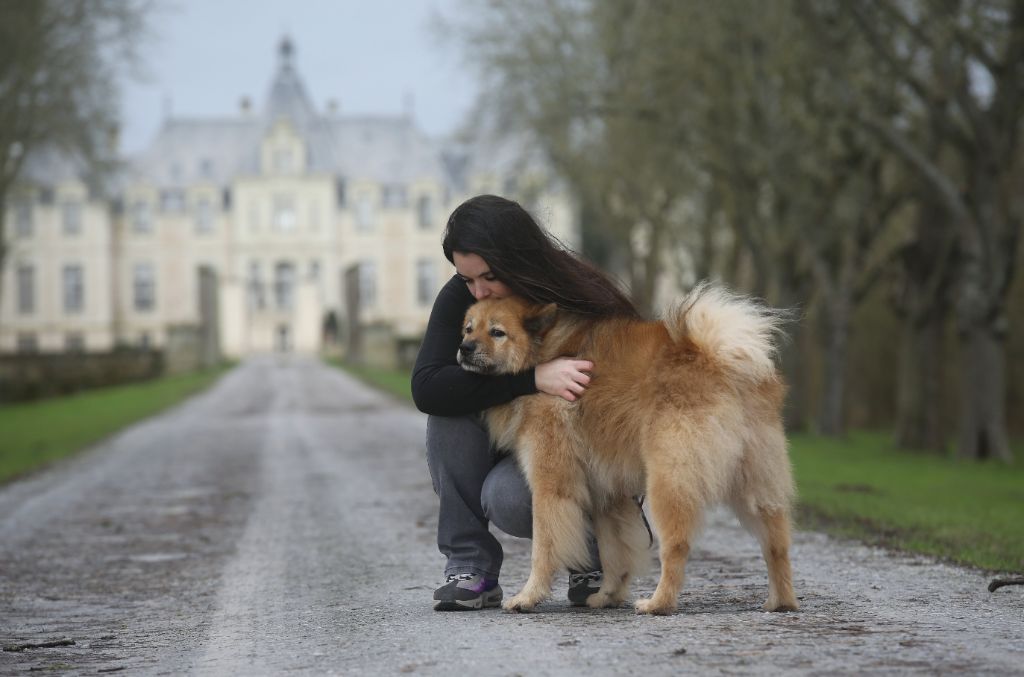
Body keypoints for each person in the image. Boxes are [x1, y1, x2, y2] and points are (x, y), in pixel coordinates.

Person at [411, 194, 642, 611]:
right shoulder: (460, 297)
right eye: (465, 279)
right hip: (506, 434)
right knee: (446, 416)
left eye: (487, 277)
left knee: (510, 500)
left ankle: (590, 555)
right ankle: (470, 566)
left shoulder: (578, 292)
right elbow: (427, 386)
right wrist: (531, 378)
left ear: (517, 259)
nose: (477, 291)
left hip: (583, 454)